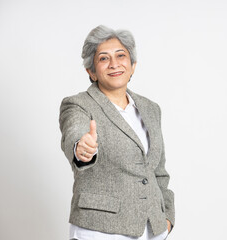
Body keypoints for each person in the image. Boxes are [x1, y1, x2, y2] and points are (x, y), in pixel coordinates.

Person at [59, 25, 175, 240]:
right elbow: (75, 133)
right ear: (91, 71)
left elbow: (158, 171)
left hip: (152, 229)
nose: (114, 64)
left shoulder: (151, 109)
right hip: (100, 230)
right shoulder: (78, 105)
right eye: (103, 58)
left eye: (121, 56)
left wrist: (167, 218)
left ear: (132, 65)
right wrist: (82, 149)